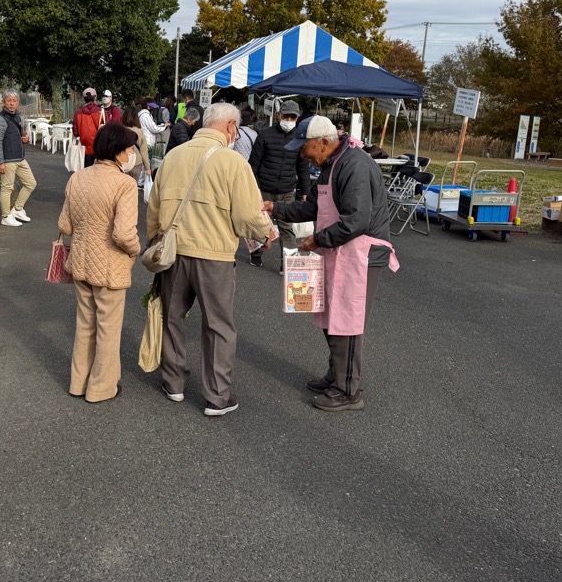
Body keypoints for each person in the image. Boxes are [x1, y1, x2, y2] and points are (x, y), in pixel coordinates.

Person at [265, 115, 399, 412]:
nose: (303, 154)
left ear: (324, 142)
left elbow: (357, 220)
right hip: (339, 249)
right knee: (330, 316)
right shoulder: (330, 165)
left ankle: (347, 389)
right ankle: (338, 375)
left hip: (360, 254)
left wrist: (317, 240)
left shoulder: (354, 165)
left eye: (306, 147)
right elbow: (311, 206)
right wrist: (277, 208)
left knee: (346, 320)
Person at [147, 102, 273, 416]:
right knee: (218, 326)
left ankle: (173, 383)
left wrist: (154, 240)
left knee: (172, 318)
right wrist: (265, 234)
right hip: (214, 255)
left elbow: (154, 206)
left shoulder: (173, 155)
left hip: (174, 252)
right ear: (231, 126)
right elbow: (247, 214)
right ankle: (217, 396)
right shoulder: (233, 162)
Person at [58, 123, 141, 403]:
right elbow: (123, 234)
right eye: (129, 149)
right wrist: (136, 250)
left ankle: (78, 383)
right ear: (118, 153)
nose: (132, 155)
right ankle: (102, 388)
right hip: (110, 267)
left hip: (80, 262)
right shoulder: (125, 184)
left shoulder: (77, 178)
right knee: (108, 329)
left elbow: (64, 225)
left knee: (85, 325)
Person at [247, 100, 310, 268]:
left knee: (286, 228)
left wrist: (305, 191)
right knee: (259, 223)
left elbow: (302, 167)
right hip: (264, 187)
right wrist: (251, 188)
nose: (289, 119)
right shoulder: (265, 134)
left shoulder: (300, 138)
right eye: (286, 115)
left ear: (297, 118)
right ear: (279, 115)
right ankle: (256, 253)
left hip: (287, 189)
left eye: (292, 117)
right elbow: (253, 164)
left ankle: (288, 263)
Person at [0, 89, 37, 227]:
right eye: (9, 100)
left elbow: (20, 137)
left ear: (18, 102)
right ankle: (6, 216)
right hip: (8, 160)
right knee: (7, 188)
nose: (12, 103)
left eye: (14, 101)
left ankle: (17, 209)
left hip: (20, 157)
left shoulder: (18, 117)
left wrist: (26, 139)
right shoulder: (0, 119)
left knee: (31, 183)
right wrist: (0, 162)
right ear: (3, 102)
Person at [119, 104, 152, 185]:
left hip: (122, 163)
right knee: (133, 188)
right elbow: (143, 151)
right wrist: (147, 168)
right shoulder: (139, 131)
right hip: (136, 163)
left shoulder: (119, 130)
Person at [72, 87, 104, 167]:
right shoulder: (101, 112)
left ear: (84, 98)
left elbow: (75, 133)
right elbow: (105, 131)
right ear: (95, 97)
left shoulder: (78, 113)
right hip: (98, 149)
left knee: (86, 173)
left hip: (84, 149)